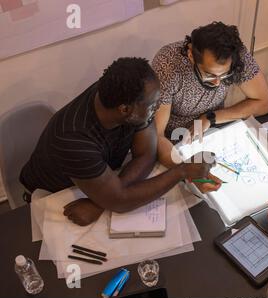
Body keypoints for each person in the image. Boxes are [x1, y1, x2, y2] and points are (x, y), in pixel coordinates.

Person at [20, 57, 213, 226]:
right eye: (153, 105)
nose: (157, 108)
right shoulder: (74, 139)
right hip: (53, 196)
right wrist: (181, 171)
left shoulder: (124, 95)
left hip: (101, 182)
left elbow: (147, 154)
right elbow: (121, 202)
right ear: (125, 110)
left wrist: (102, 201)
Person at [152, 21, 268, 193]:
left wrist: (211, 118)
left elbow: (265, 102)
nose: (217, 83)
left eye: (225, 75)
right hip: (174, 141)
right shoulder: (168, 66)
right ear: (191, 56)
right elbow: (156, 135)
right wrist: (187, 171)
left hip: (213, 133)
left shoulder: (235, 55)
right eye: (210, 75)